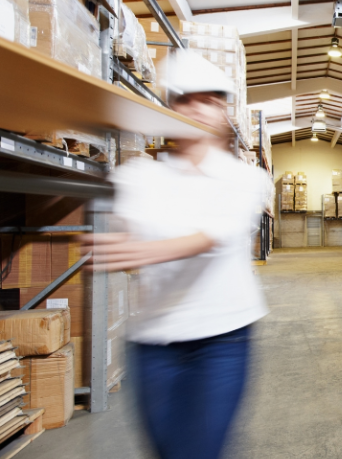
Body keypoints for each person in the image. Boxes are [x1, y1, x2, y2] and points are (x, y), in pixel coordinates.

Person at [80, 50, 269, 458]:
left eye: (208, 100)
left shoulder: (244, 178)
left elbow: (212, 237)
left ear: (222, 109)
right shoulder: (138, 177)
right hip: (153, 339)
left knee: (198, 451)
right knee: (166, 450)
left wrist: (138, 250)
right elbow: (124, 248)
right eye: (184, 99)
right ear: (167, 107)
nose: (197, 109)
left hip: (223, 338)